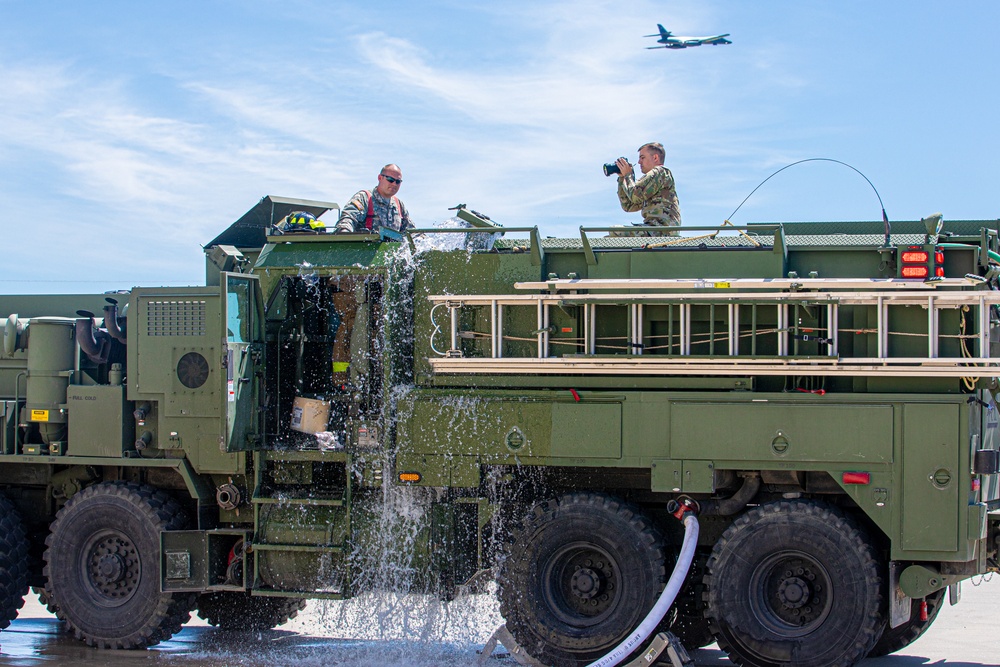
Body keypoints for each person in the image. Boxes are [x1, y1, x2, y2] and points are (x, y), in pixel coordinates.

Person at [614, 142, 681, 236]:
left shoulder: (661, 172)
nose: (639, 162)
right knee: (611, 235)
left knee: (616, 231)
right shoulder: (650, 182)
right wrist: (622, 179)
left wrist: (628, 176)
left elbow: (635, 196)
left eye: (642, 157)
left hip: (661, 230)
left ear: (655, 158)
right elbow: (628, 205)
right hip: (654, 229)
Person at [336, 164, 414, 234]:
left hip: (391, 249)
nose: (394, 184)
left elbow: (413, 233)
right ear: (380, 178)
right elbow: (348, 219)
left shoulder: (399, 205)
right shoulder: (364, 198)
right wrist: (344, 233)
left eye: (398, 181)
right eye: (390, 179)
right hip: (365, 248)